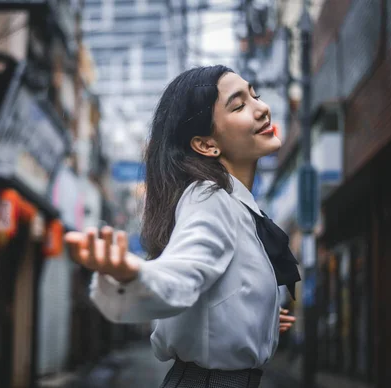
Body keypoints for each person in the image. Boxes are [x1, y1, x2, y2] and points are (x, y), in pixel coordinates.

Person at [65, 65, 300, 388]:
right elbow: (182, 272)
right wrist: (129, 274)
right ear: (205, 144)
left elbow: (218, 295)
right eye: (239, 104)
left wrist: (260, 317)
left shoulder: (238, 206)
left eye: (255, 96)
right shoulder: (210, 198)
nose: (262, 109)